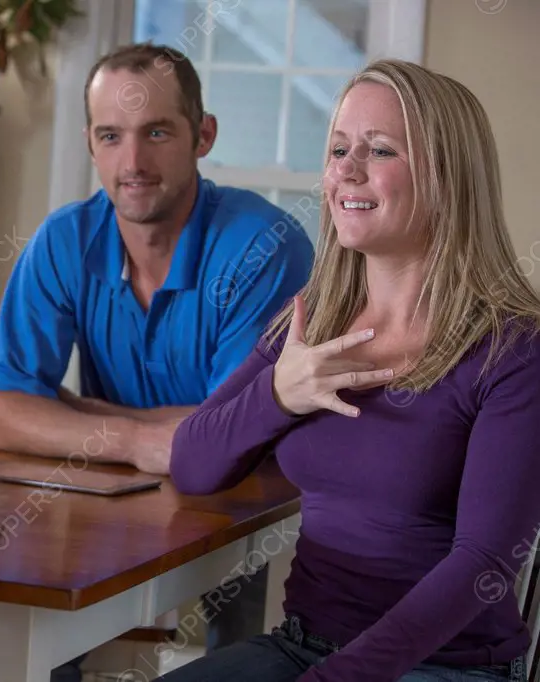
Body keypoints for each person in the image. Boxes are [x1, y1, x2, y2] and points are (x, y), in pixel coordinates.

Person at [160, 58, 540, 682]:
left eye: (379, 150)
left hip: (445, 668)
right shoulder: (315, 319)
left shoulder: (511, 348)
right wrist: (278, 395)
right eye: (339, 148)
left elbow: (486, 564)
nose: (346, 169)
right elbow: (191, 466)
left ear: (447, 178)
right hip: (299, 646)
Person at [0, 43, 315, 681]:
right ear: (90, 143)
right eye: (111, 136)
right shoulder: (65, 239)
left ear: (202, 135)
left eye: (157, 132)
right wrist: (132, 436)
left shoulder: (263, 246)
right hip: (115, 498)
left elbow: (239, 434)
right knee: (28, 611)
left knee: (241, 639)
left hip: (253, 505)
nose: (132, 162)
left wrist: (80, 413)